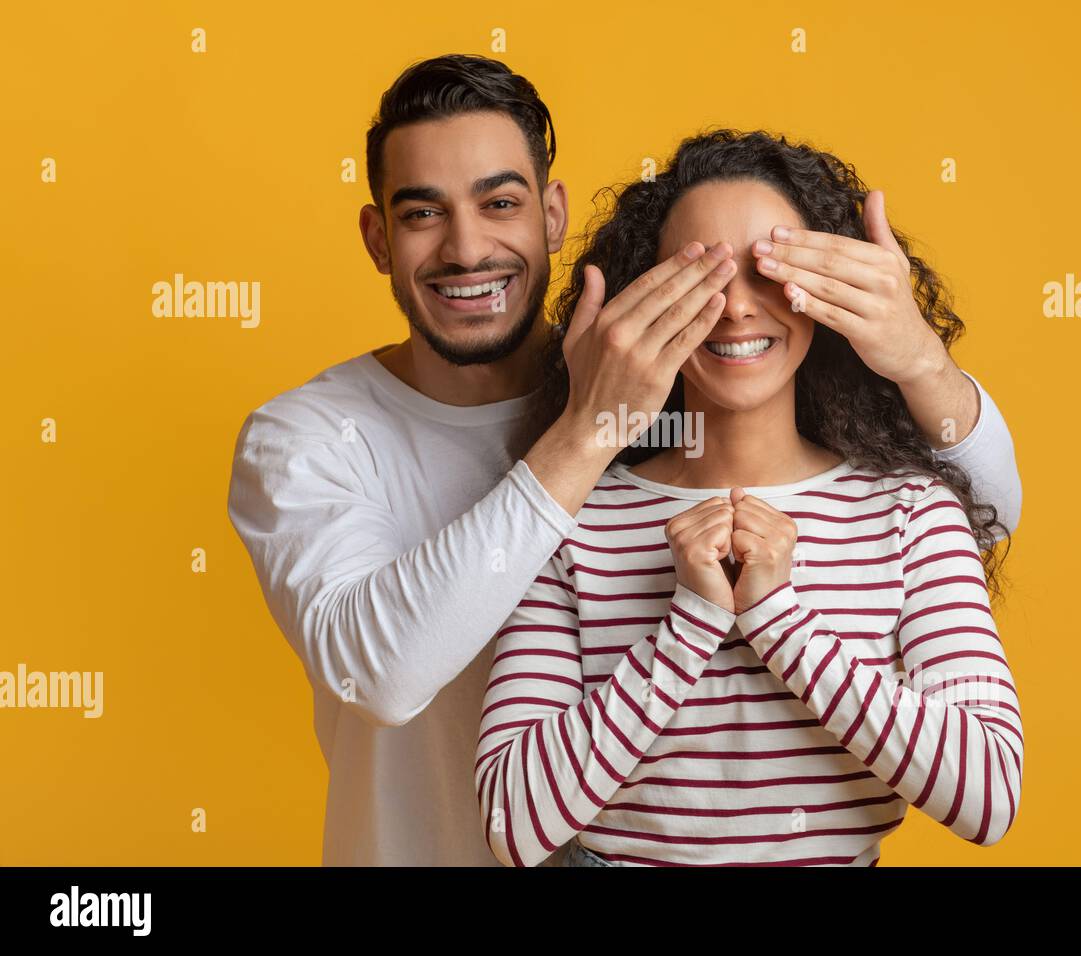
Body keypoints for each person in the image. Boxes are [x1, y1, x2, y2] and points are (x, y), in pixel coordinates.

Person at [227, 54, 1021, 866]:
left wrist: (919, 360)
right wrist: (592, 435)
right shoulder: (313, 440)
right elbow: (387, 677)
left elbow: (980, 511)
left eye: (500, 202)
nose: (467, 249)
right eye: (423, 213)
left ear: (551, 216)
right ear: (377, 238)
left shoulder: (690, 435)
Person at [475, 129, 1023, 866]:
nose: (737, 310)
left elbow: (990, 794)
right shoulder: (567, 512)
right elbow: (512, 822)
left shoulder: (912, 514)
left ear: (829, 290)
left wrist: (780, 623)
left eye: (770, 272)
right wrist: (690, 625)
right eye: (703, 277)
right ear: (646, 297)